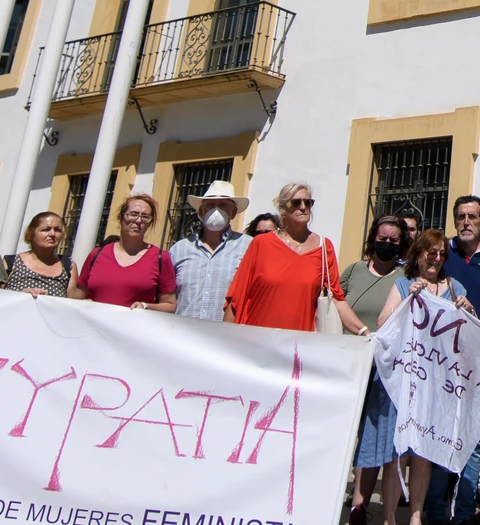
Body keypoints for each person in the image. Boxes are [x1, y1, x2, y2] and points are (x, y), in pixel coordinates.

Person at [380, 230, 477, 525]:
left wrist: (469, 310)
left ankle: (416, 516)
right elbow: (383, 323)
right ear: (418, 254)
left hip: (437, 381)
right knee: (401, 450)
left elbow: (468, 335)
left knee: (424, 451)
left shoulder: (454, 285)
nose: (436, 259)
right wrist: (408, 301)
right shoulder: (403, 283)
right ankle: (388, 518)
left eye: (440, 254)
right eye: (430, 253)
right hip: (408, 379)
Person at [435, 195, 480, 525]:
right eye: (461, 216)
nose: (467, 222)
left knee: (475, 439)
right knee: (439, 434)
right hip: (441, 360)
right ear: (455, 221)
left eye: (473, 217)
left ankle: (465, 512)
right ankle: (436, 511)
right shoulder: (442, 253)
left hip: (479, 361)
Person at [226, 183, 368, 333]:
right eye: (296, 202)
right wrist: (226, 340)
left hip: (299, 347)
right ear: (283, 209)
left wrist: (364, 332)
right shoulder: (261, 243)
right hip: (257, 341)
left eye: (308, 202)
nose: (303, 207)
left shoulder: (324, 247)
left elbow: (337, 299)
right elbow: (237, 296)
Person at [347, 214, 412, 525]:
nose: (386, 244)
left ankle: (360, 504)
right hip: (348, 362)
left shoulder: (404, 279)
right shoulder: (353, 271)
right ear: (372, 237)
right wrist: (361, 331)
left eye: (393, 240)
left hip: (383, 371)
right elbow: (334, 302)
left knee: (372, 438)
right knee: (345, 434)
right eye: (382, 238)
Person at [71, 193, 176, 310]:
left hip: (133, 327)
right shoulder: (96, 254)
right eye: (133, 214)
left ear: (149, 223)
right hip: (95, 327)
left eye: (145, 217)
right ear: (121, 218)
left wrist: (146, 306)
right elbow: (78, 297)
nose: (138, 220)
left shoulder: (161, 258)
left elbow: (170, 305)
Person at [169, 181, 251, 322]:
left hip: (225, 338)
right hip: (182, 335)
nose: (216, 211)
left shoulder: (248, 246)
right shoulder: (179, 249)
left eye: (223, 205)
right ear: (201, 211)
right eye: (210, 205)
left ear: (233, 212)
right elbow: (167, 297)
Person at [6, 212, 72, 297]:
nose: (52, 234)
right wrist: (20, 295)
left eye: (57, 230)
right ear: (30, 234)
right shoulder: (12, 262)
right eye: (46, 229)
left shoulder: (68, 265)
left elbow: (71, 301)